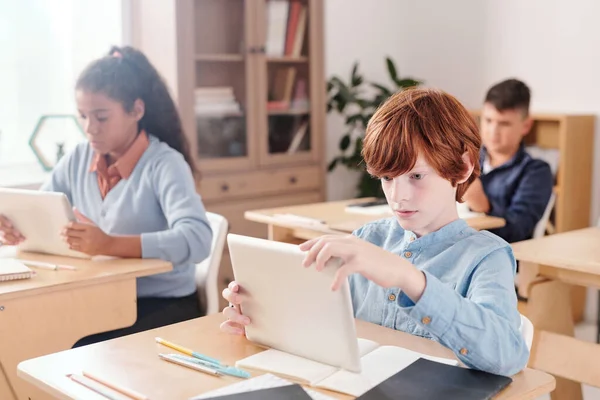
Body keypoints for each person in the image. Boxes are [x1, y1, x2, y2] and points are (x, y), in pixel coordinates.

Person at [220, 88, 529, 376]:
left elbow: (506, 355)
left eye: (416, 176)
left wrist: (411, 279)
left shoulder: (487, 256)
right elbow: (325, 328)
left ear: (462, 168)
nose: (398, 196)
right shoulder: (369, 239)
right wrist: (262, 318)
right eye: (387, 178)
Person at [0, 46, 212, 345]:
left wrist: (109, 244)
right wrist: (13, 227)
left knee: (66, 345)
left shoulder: (165, 164)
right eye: (84, 116)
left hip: (161, 304)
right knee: (24, 330)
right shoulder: (78, 158)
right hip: (97, 296)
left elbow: (197, 239)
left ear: (136, 111)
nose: (90, 128)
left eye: (101, 117)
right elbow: (41, 211)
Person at [463, 78, 553, 243]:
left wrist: (485, 207)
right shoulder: (467, 158)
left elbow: (517, 231)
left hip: (497, 258)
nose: (493, 131)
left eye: (504, 124)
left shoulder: (536, 172)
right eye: (488, 120)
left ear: (526, 126)